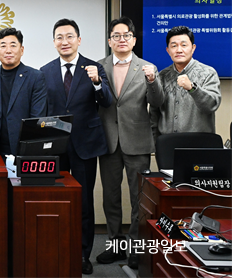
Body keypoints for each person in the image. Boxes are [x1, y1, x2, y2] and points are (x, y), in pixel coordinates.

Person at [39, 18, 112, 275]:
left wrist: (97, 82)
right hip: (55, 147)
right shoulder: (44, 71)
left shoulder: (94, 67)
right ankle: (56, 249)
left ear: (79, 40)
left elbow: (107, 101)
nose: (65, 42)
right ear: (54, 42)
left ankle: (83, 254)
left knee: (83, 202)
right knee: (55, 201)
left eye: (69, 36)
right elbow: (41, 110)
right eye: (59, 37)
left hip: (85, 144)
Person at [96, 17, 165, 270]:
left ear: (134, 40)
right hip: (108, 141)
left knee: (139, 199)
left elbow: (157, 102)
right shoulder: (98, 67)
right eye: (116, 35)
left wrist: (152, 81)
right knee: (111, 197)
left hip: (137, 141)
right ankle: (115, 245)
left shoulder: (147, 67)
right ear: (109, 41)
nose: (121, 39)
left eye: (126, 35)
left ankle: (137, 248)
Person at [0, 27, 47, 156]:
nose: (8, 50)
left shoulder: (35, 77)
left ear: (21, 50)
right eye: (3, 46)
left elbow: (37, 117)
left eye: (13, 45)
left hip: (23, 149)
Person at [150, 26, 221, 138]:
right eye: (174, 46)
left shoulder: (208, 73)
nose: (179, 50)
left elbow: (211, 105)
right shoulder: (162, 75)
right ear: (168, 50)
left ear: (193, 48)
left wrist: (192, 88)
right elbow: (154, 112)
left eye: (184, 45)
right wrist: (155, 143)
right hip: (168, 143)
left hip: (199, 143)